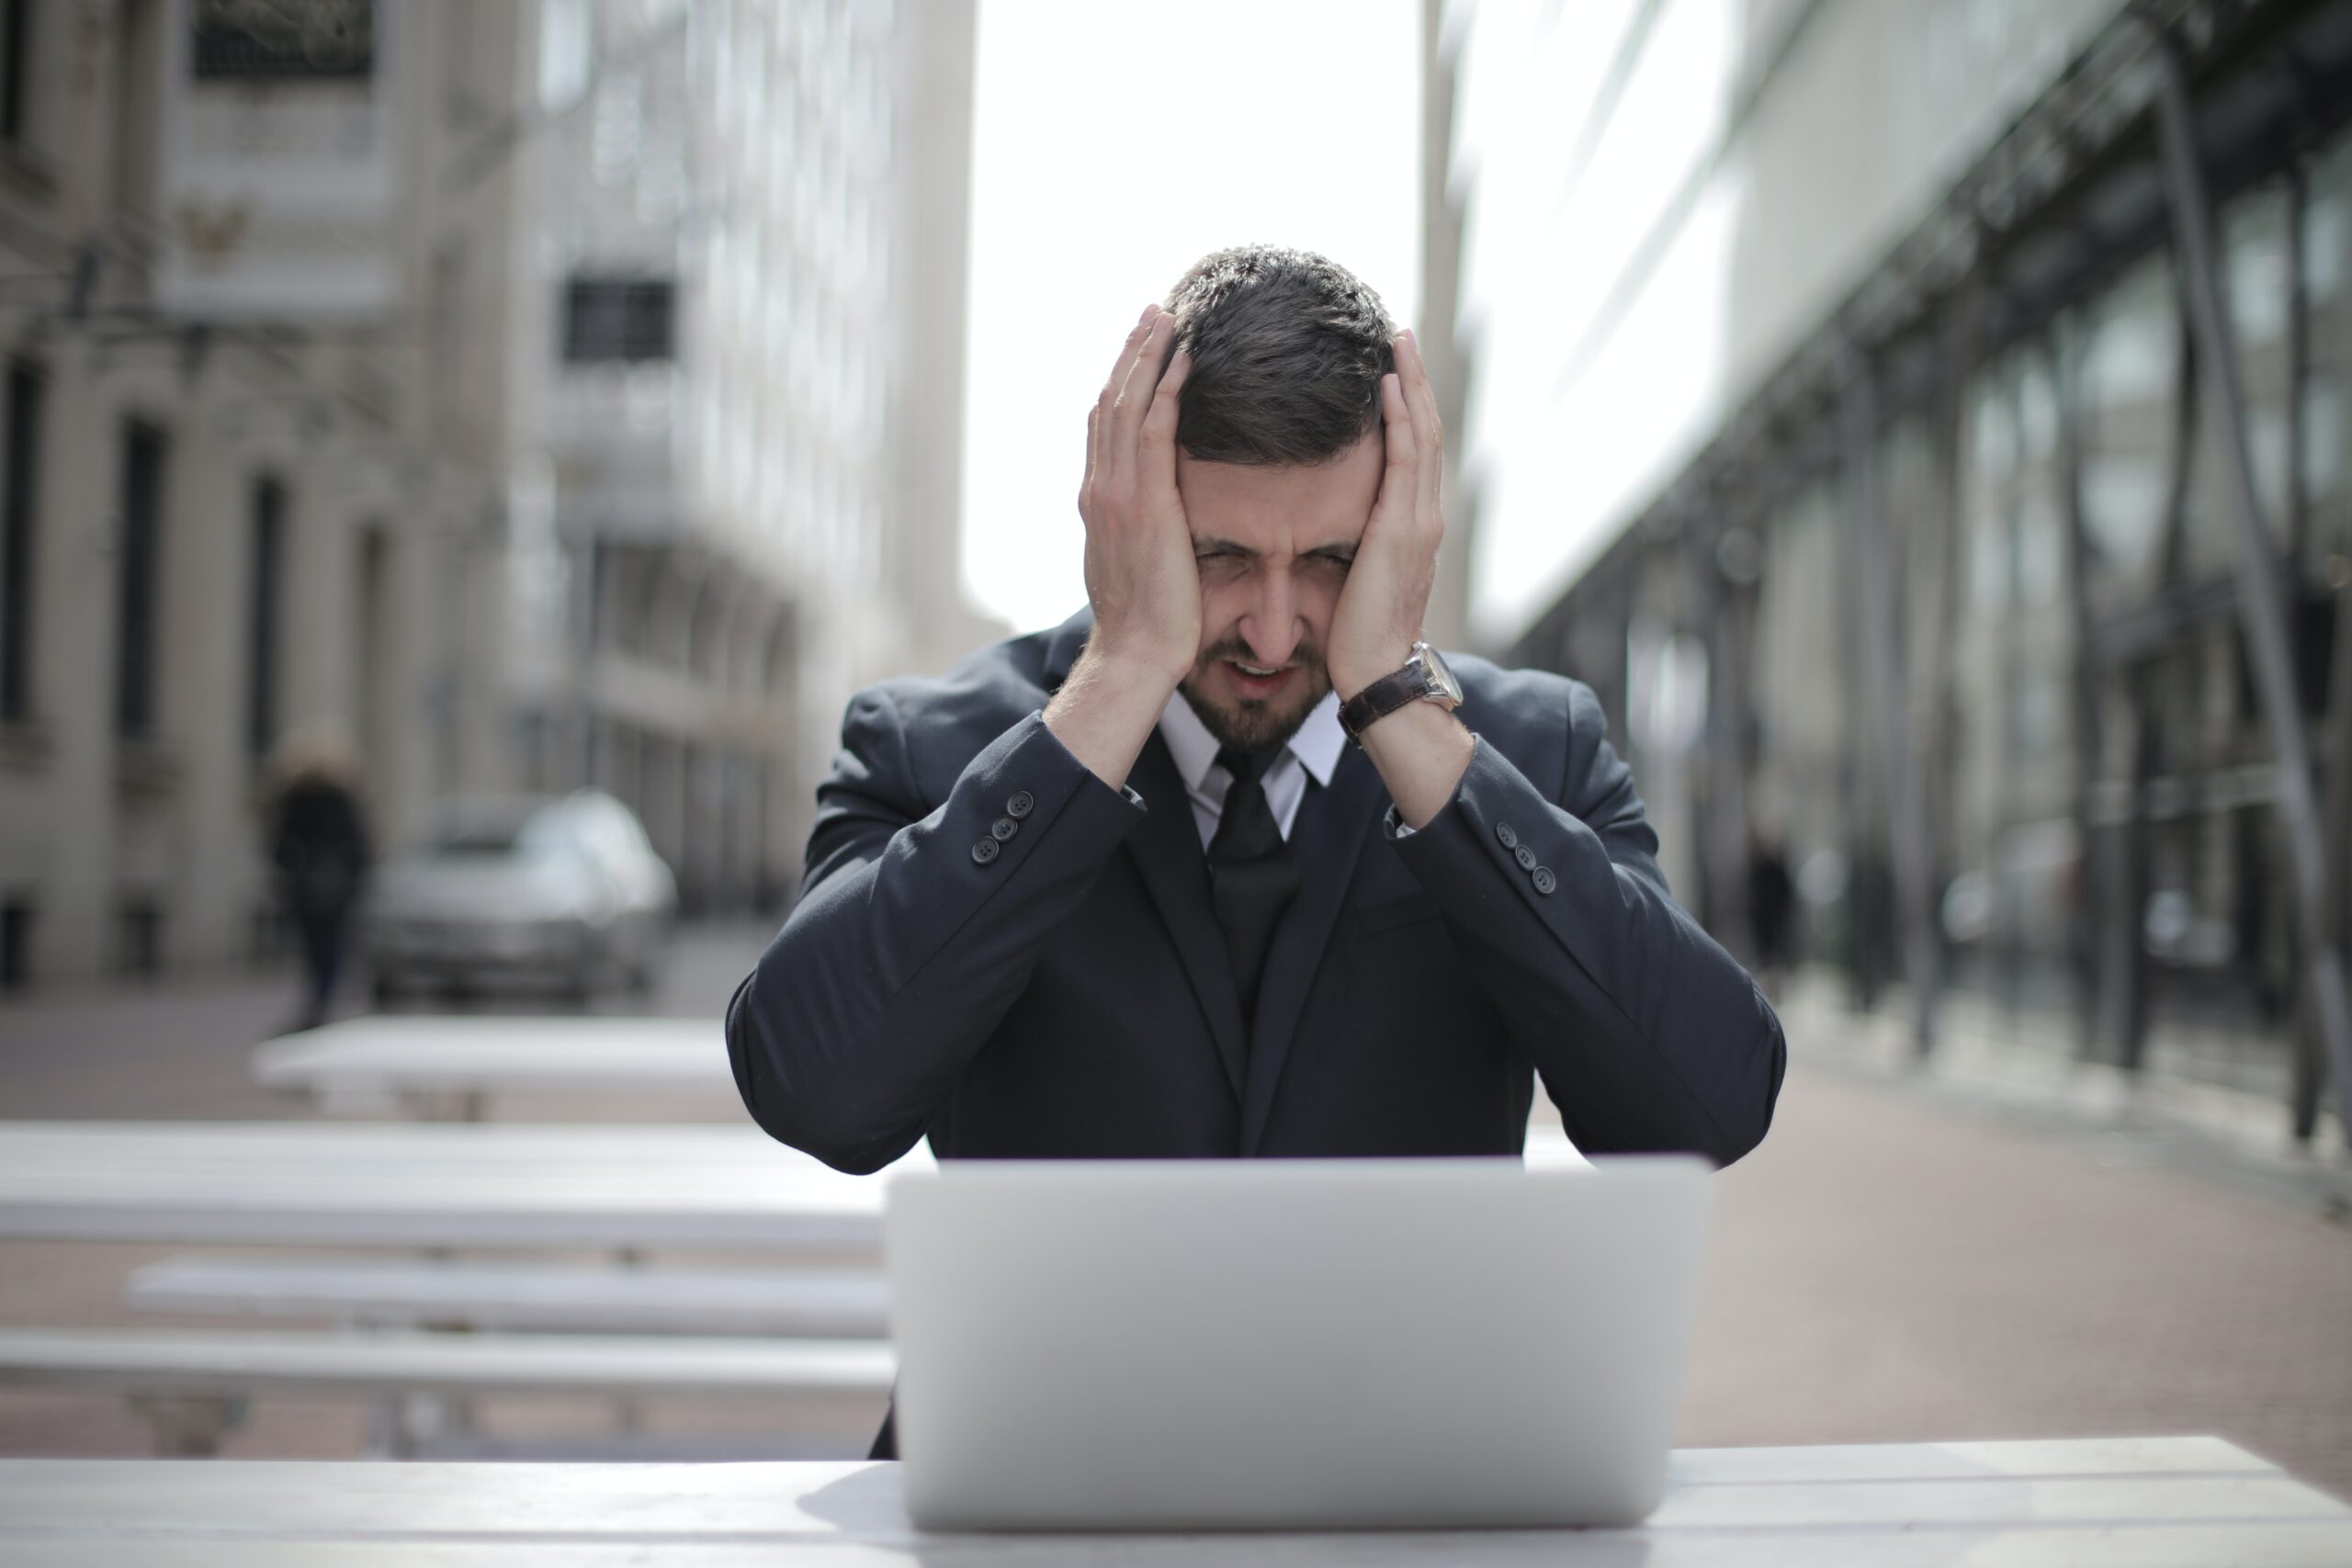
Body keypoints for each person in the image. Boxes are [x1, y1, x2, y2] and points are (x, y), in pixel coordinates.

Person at [726, 245, 1786, 1458]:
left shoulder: (1524, 751)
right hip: (1028, 1501)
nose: (1276, 629)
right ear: (1127, 510)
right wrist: (1120, 676)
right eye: (1221, 555)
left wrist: (1399, 706)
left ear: (1403, 522)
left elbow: (1708, 1102)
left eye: (1329, 561)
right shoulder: (931, 746)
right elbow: (814, 1090)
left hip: (1410, 1505)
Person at [266, 728, 373, 1032]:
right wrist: (351, 878)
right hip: (336, 890)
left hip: (303, 889)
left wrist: (295, 871)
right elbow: (360, 847)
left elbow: (279, 847)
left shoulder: (293, 798)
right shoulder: (343, 798)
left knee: (312, 945)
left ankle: (318, 998)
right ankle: (324, 996)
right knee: (332, 944)